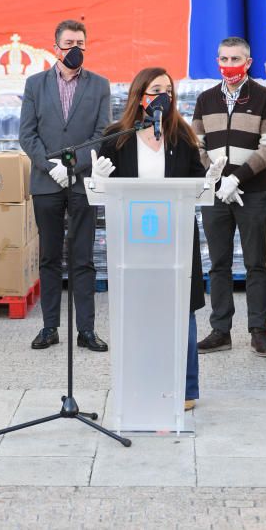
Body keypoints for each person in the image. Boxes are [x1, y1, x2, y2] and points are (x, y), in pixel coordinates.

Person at [94, 67, 225, 410]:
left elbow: (197, 185)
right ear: (140, 97)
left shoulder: (181, 135)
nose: (163, 95)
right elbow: (101, 190)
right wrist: (96, 179)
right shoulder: (116, 137)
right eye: (156, 89)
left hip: (176, 240)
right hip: (134, 242)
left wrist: (209, 179)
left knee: (182, 313)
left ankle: (185, 389)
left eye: (169, 89)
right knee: (138, 313)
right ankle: (139, 382)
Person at [19, 20, 111, 352]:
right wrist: (50, 166)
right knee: (49, 256)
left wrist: (73, 167)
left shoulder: (99, 85)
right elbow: (27, 134)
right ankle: (49, 327)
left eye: (80, 43)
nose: (75, 49)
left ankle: (86, 329)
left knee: (83, 256)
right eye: (69, 42)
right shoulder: (35, 85)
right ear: (55, 47)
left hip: (83, 182)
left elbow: (102, 134)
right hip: (46, 182)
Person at [193, 37, 266, 358]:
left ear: (248, 61)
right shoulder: (206, 100)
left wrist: (237, 177)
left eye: (235, 59)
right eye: (224, 59)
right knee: (218, 264)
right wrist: (215, 178)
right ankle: (220, 330)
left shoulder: (265, 99)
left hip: (252, 192)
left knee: (256, 263)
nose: (229, 65)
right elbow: (197, 145)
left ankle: (258, 331)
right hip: (216, 194)